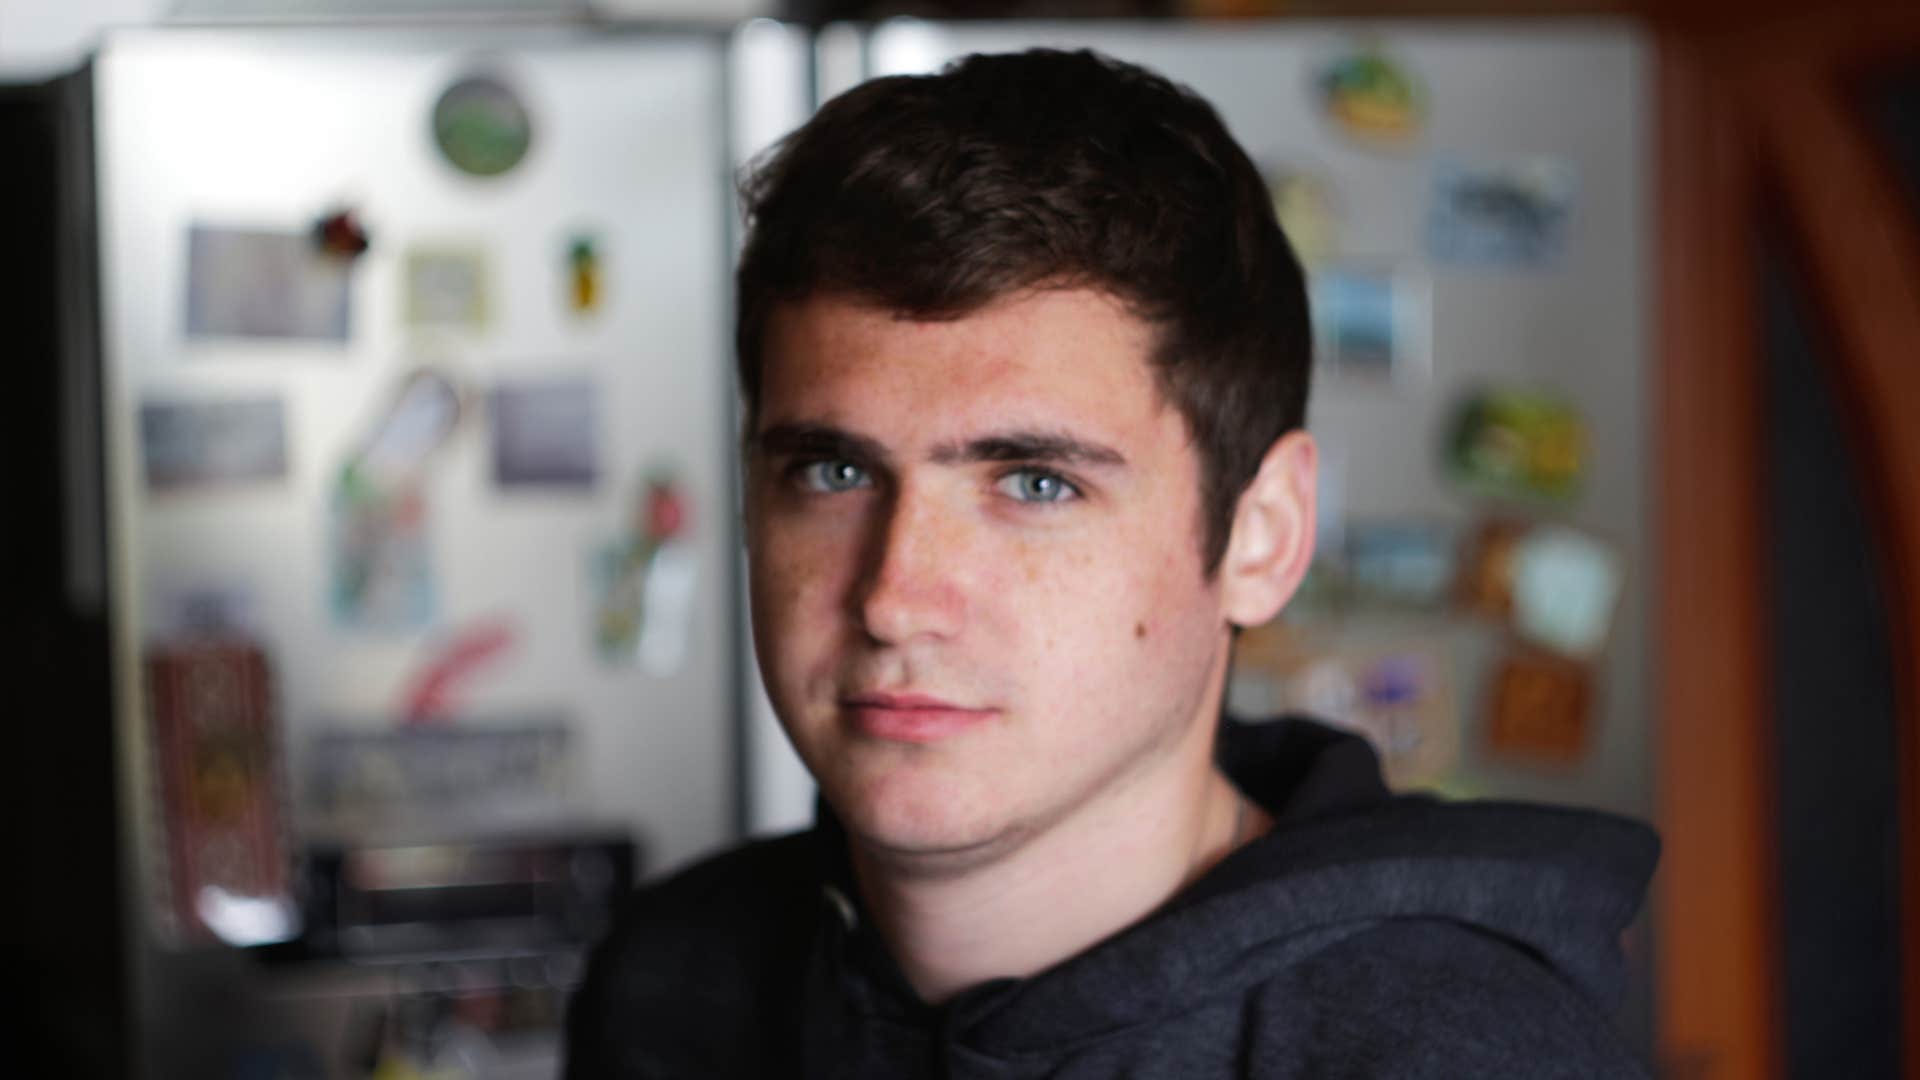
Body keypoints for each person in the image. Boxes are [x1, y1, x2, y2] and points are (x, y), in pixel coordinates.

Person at [565, 48, 1658, 1078]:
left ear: (1264, 535)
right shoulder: (669, 986)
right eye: (833, 472)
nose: (895, 600)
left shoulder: (1461, 1055)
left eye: (1037, 484)